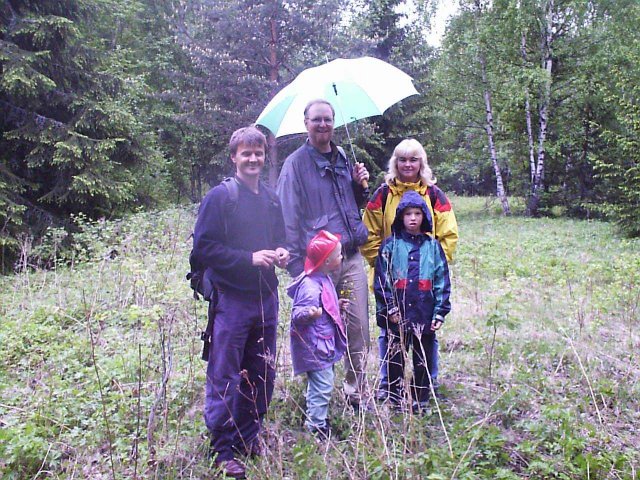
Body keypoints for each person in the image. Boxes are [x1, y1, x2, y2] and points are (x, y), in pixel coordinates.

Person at [192, 126, 289, 479]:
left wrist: (281, 251)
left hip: (266, 297)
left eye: (258, 153)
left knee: (261, 371)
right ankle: (222, 447)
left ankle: (249, 438)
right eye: (245, 153)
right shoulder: (221, 198)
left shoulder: (271, 198)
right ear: (233, 157)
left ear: (265, 157)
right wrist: (247, 258)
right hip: (231, 299)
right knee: (225, 374)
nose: (252, 159)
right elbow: (204, 248)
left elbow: (280, 238)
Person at [277, 99, 371, 410]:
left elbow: (349, 207)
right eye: (316, 119)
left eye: (328, 119)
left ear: (334, 122)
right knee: (320, 331)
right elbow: (287, 217)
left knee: (358, 328)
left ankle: (355, 394)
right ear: (306, 123)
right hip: (318, 267)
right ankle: (319, 399)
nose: (323, 125)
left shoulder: (343, 157)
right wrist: (296, 269)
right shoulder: (294, 165)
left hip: (350, 256)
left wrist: (359, 187)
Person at [361, 138, 458, 401]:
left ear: (421, 163)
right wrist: (380, 263)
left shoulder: (434, 194)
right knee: (390, 333)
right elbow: (367, 232)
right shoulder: (383, 194)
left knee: (426, 334)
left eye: (413, 159)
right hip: (391, 279)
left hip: (425, 282)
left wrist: (433, 265)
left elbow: (448, 234)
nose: (407, 164)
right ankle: (388, 386)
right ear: (395, 162)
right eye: (402, 159)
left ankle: (427, 385)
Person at [373, 190, 451, 411]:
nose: (413, 218)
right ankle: (395, 397)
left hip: (424, 313)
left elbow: (441, 280)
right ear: (400, 217)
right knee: (395, 356)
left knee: (422, 358)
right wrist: (390, 309)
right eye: (408, 214)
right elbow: (381, 281)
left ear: (424, 216)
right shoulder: (390, 246)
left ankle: (421, 398)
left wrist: (439, 312)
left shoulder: (432, 246)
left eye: (417, 213)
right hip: (396, 316)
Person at [287, 230, 348, 438]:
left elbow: (326, 305)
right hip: (315, 346)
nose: (342, 257)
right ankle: (316, 427)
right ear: (328, 261)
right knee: (322, 385)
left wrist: (335, 305)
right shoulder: (310, 286)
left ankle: (317, 417)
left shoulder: (324, 278)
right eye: (339, 254)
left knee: (322, 383)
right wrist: (309, 313)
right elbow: (297, 314)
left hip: (324, 343)